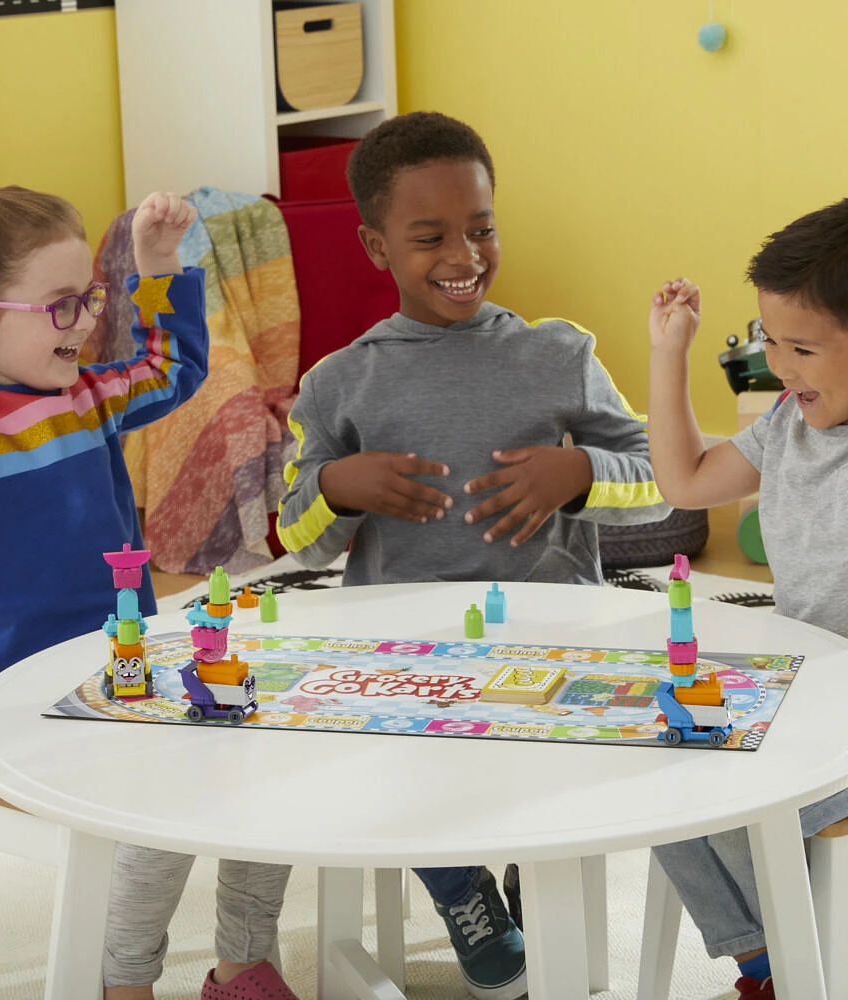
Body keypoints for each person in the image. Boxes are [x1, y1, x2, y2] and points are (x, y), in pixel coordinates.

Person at [277, 110, 670, 1000]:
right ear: (377, 247)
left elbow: (662, 482)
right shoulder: (340, 382)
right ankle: (462, 892)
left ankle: (542, 876)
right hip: (407, 658)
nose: (466, 253)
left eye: (482, 227)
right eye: (431, 237)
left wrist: (580, 472)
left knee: (572, 774)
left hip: (557, 635)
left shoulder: (558, 353)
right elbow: (293, 529)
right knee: (384, 756)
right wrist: (339, 485)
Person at [0, 178, 297, 1000]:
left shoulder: (89, 399)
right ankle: (124, 982)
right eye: (60, 307)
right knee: (160, 791)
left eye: (85, 299)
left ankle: (242, 965)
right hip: (6, 700)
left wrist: (157, 264)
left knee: (270, 748)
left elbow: (176, 366)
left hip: (120, 669)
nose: (84, 321)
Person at [646, 197, 848, 1000]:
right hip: (802, 699)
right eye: (771, 341)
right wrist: (669, 354)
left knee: (750, 807)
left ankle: (792, 970)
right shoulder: (787, 424)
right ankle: (774, 967)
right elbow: (684, 479)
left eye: (804, 349)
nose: (780, 367)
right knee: (656, 771)